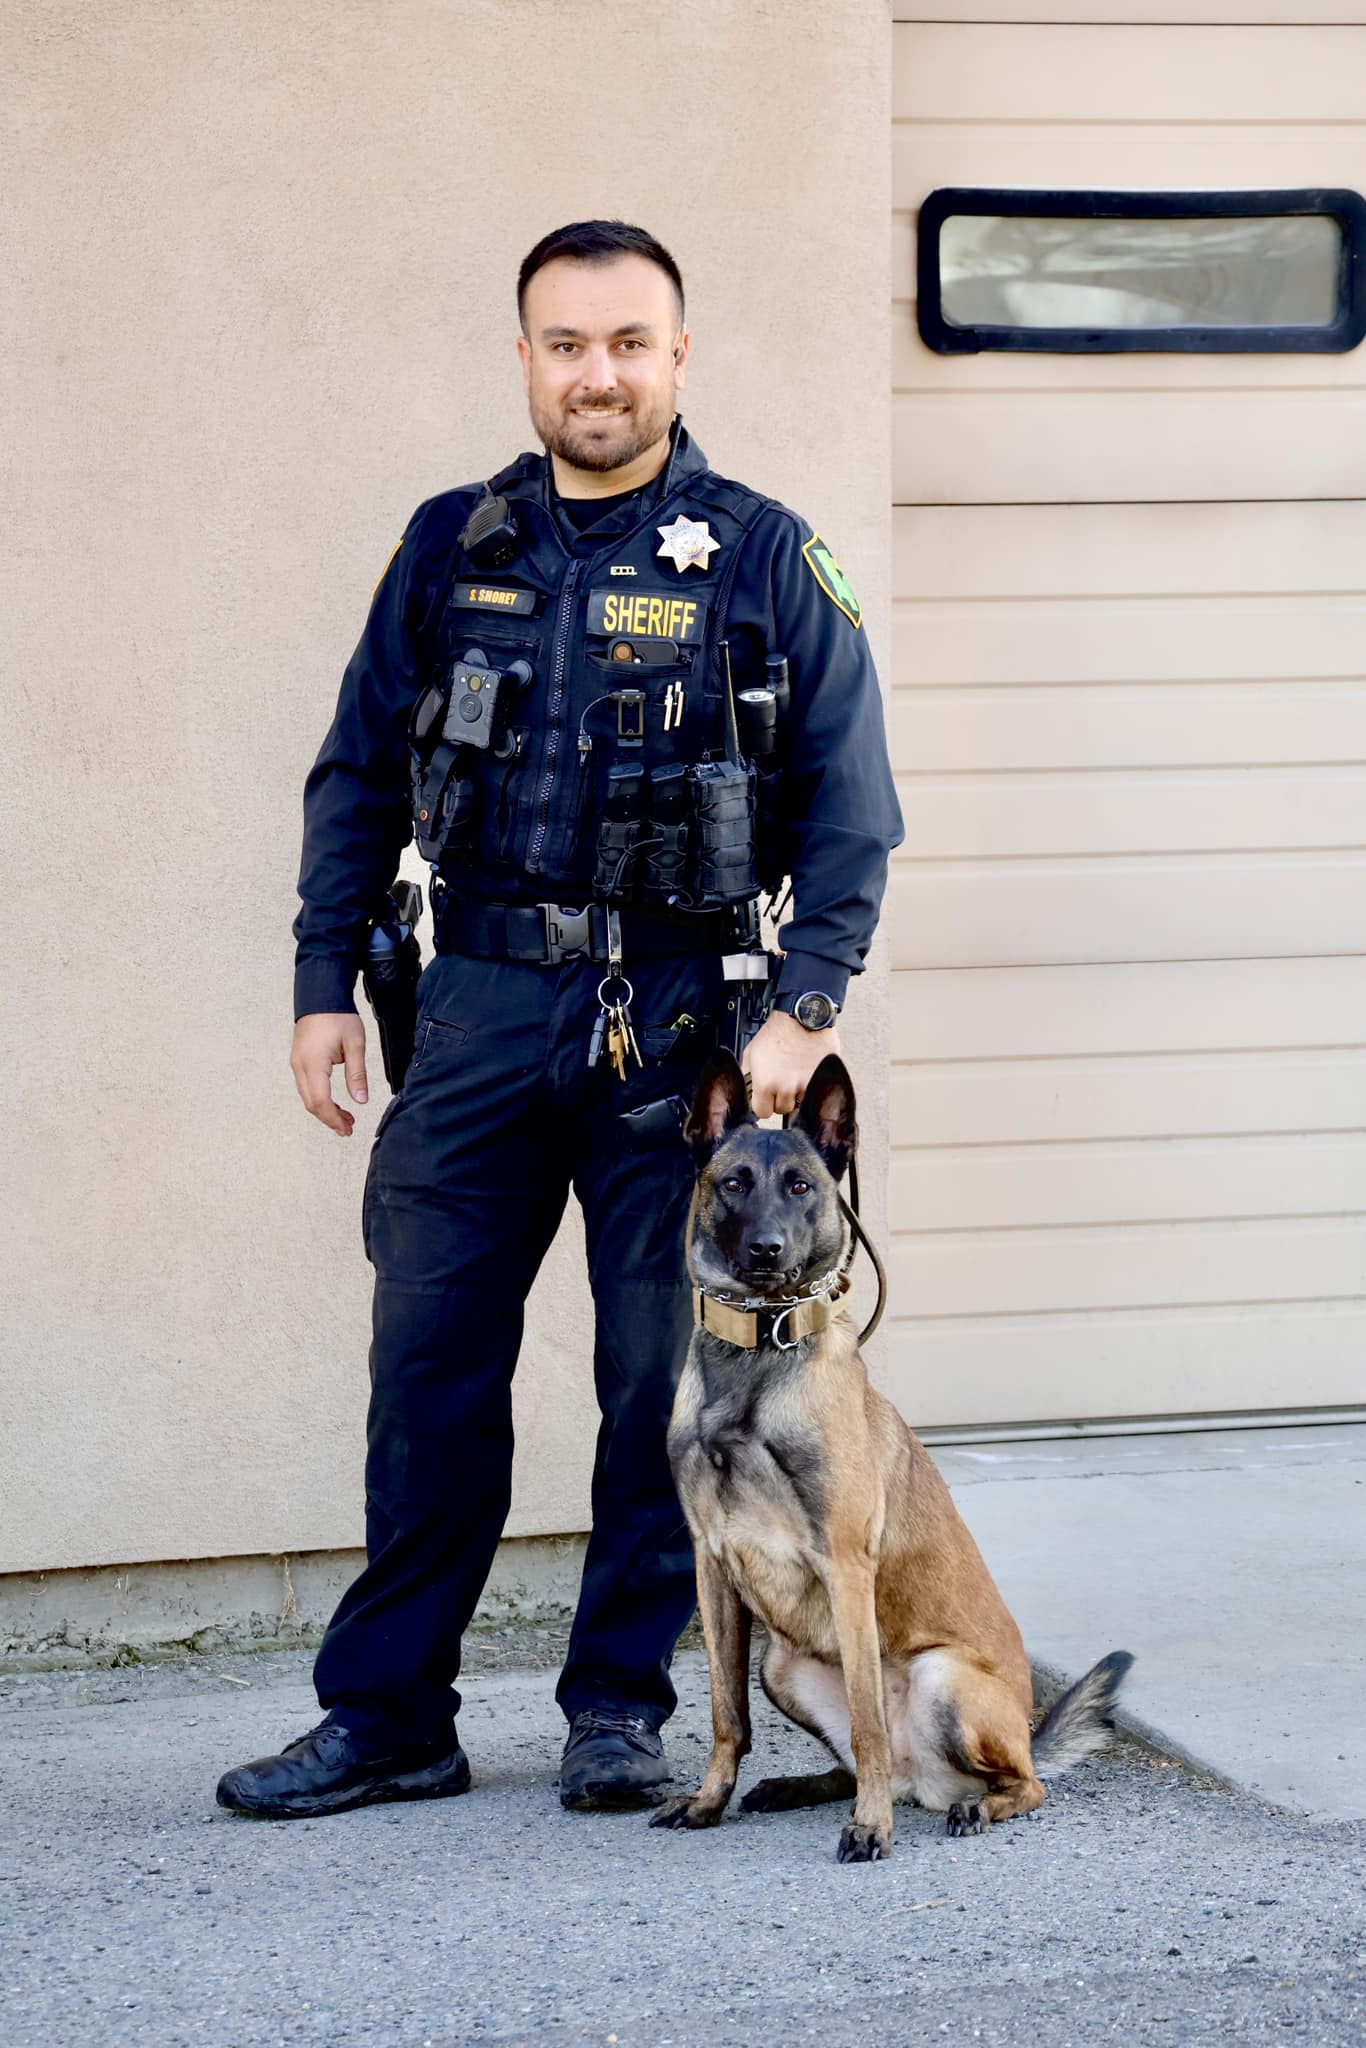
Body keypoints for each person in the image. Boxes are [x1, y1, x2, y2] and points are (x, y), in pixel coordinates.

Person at [217, 220, 903, 1822]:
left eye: (629, 343)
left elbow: (854, 810)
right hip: (471, 1009)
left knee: (654, 1380)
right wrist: (326, 981)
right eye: (566, 343)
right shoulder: (452, 542)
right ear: (524, 357)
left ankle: (618, 1708)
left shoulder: (760, 555)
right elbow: (357, 773)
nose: (598, 374)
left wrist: (805, 1010)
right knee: (428, 1364)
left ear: (679, 356)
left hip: (680, 1033)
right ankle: (390, 1717)